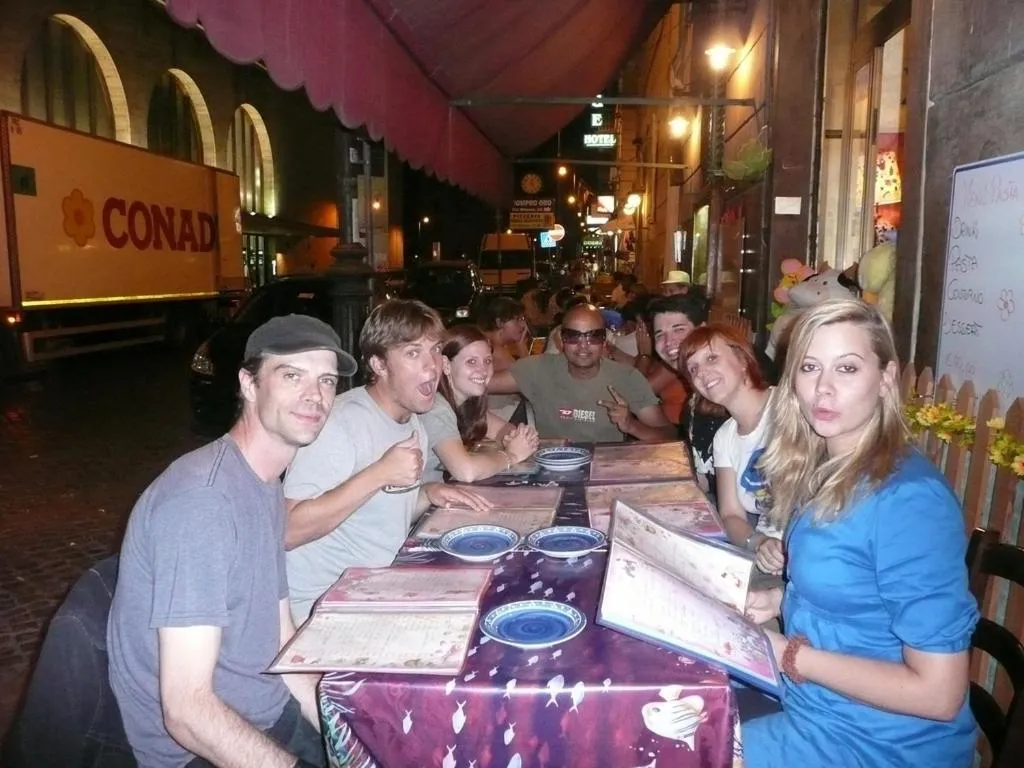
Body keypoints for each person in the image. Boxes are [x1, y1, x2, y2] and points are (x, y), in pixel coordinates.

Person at [108, 314, 359, 767]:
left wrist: (348, 733)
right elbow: (187, 711)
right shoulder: (202, 503)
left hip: (266, 710)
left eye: (326, 380)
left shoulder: (263, 483)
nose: (315, 395)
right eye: (291, 375)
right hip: (199, 750)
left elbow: (282, 636)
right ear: (249, 384)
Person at [742, 299, 979, 768]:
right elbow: (859, 593)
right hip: (814, 708)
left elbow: (939, 694)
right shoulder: (832, 465)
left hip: (875, 746)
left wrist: (785, 650)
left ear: (886, 378)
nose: (823, 389)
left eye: (847, 368)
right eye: (810, 367)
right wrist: (782, 603)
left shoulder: (908, 501)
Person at [283, 300, 490, 623]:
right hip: (324, 605)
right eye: (412, 353)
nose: (432, 366)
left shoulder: (412, 422)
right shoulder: (340, 424)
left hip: (379, 584)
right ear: (379, 365)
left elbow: (379, 513)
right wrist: (379, 473)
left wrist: (429, 493)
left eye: (435, 350)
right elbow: (288, 530)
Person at [678, 324, 784, 574]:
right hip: (766, 560)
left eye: (712, 358)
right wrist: (758, 543)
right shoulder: (724, 436)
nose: (702, 373)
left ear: (742, 360)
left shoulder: (789, 407)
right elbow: (731, 515)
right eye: (693, 369)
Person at [489, 303, 674, 443]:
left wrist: (632, 426)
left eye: (593, 336)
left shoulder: (627, 378)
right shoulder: (537, 369)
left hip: (604, 473)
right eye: (573, 336)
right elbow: (475, 385)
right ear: (562, 340)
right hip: (552, 470)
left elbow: (669, 435)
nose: (583, 346)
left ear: (604, 340)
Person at [421, 324, 540, 482]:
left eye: (487, 361)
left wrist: (520, 438)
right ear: (446, 365)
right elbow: (466, 471)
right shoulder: (436, 408)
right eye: (471, 362)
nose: (483, 370)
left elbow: (502, 430)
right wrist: (511, 455)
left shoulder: (469, 404)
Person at [477, 296, 529, 420]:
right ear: (500, 323)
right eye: (517, 319)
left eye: (523, 319)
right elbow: (529, 381)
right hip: (497, 415)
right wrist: (522, 346)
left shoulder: (486, 341)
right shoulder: (495, 350)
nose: (523, 325)